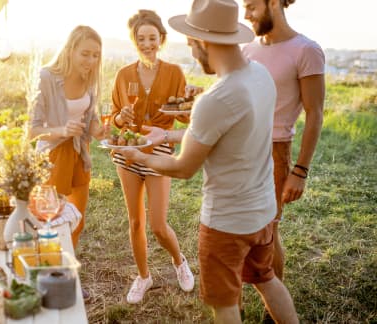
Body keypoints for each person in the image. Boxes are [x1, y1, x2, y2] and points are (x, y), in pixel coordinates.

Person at [115, 0, 299, 322]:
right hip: (263, 211)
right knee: (267, 279)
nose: (191, 50)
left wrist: (138, 154)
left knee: (225, 304)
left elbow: (184, 167)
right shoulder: (261, 76)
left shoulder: (216, 98)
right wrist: (167, 136)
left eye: (190, 42)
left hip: (226, 223)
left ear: (202, 41)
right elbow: (227, 135)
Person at [110, 9, 195, 304]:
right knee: (135, 222)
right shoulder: (123, 75)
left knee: (158, 224)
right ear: (134, 40)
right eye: (141, 38)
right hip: (128, 151)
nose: (147, 43)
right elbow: (113, 121)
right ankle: (144, 277)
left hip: (159, 148)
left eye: (152, 37)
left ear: (161, 39)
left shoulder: (174, 72)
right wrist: (120, 118)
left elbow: (185, 117)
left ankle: (179, 261)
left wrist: (189, 105)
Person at [242, 0, 325, 288]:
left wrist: (300, 170)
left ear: (274, 3)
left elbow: (315, 113)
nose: (246, 14)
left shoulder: (306, 50)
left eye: (251, 6)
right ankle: (233, 309)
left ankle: (274, 312)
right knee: (236, 231)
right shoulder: (247, 49)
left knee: (268, 234)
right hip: (240, 149)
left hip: (275, 152)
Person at [29, 25, 108, 250]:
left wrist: (97, 130)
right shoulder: (46, 77)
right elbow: (31, 131)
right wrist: (62, 130)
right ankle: (47, 275)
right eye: (85, 54)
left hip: (80, 153)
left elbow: (89, 117)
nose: (91, 61)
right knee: (50, 224)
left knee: (77, 222)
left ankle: (68, 274)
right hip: (52, 157)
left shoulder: (90, 79)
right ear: (70, 50)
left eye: (96, 55)